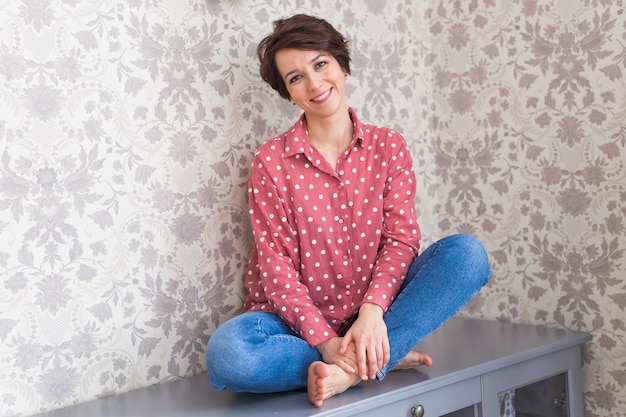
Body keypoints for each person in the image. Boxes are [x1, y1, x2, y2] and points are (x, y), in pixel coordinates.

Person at [206, 13, 491, 407]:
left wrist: (372, 316)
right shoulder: (271, 162)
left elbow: (400, 241)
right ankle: (380, 356)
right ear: (288, 93)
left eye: (320, 64)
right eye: (296, 78)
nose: (314, 84)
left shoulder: (389, 147)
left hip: (376, 310)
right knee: (228, 355)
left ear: (341, 63)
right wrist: (326, 343)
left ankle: (358, 365)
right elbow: (276, 270)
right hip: (293, 325)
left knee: (468, 255)